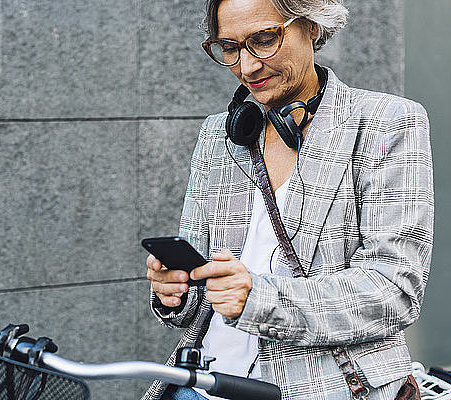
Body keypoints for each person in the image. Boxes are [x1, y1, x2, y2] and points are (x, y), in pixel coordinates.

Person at [143, 0, 433, 399]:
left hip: (323, 387)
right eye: (229, 48)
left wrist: (257, 298)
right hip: (205, 381)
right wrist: (176, 291)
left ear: (312, 26)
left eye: (263, 40)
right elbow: (203, 294)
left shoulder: (388, 122)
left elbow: (392, 292)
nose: (246, 68)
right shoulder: (218, 134)